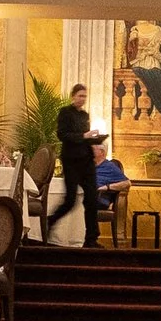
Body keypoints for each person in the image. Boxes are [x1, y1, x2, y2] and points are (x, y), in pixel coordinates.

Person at [47, 83, 98, 238]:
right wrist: (84, 136)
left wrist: (94, 143)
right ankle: (51, 220)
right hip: (71, 161)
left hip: (87, 161)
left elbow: (86, 137)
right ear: (73, 96)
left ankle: (91, 238)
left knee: (92, 199)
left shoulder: (85, 115)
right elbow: (62, 135)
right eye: (80, 95)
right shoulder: (65, 113)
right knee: (70, 200)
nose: (83, 99)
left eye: (85, 96)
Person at [93, 135, 128, 238]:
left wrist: (107, 187)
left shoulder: (110, 167)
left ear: (102, 152)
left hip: (100, 199)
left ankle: (90, 237)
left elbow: (127, 183)